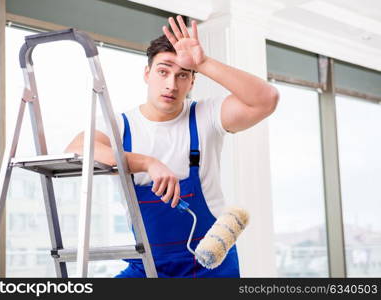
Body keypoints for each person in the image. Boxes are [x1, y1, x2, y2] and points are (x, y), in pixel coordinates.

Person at [64, 15, 279, 277]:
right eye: (163, 71)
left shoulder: (206, 116)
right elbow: (76, 149)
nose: (171, 84)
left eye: (182, 75)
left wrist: (204, 62)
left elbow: (266, 99)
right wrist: (146, 163)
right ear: (147, 73)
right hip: (146, 265)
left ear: (192, 82)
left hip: (210, 266)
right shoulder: (120, 126)